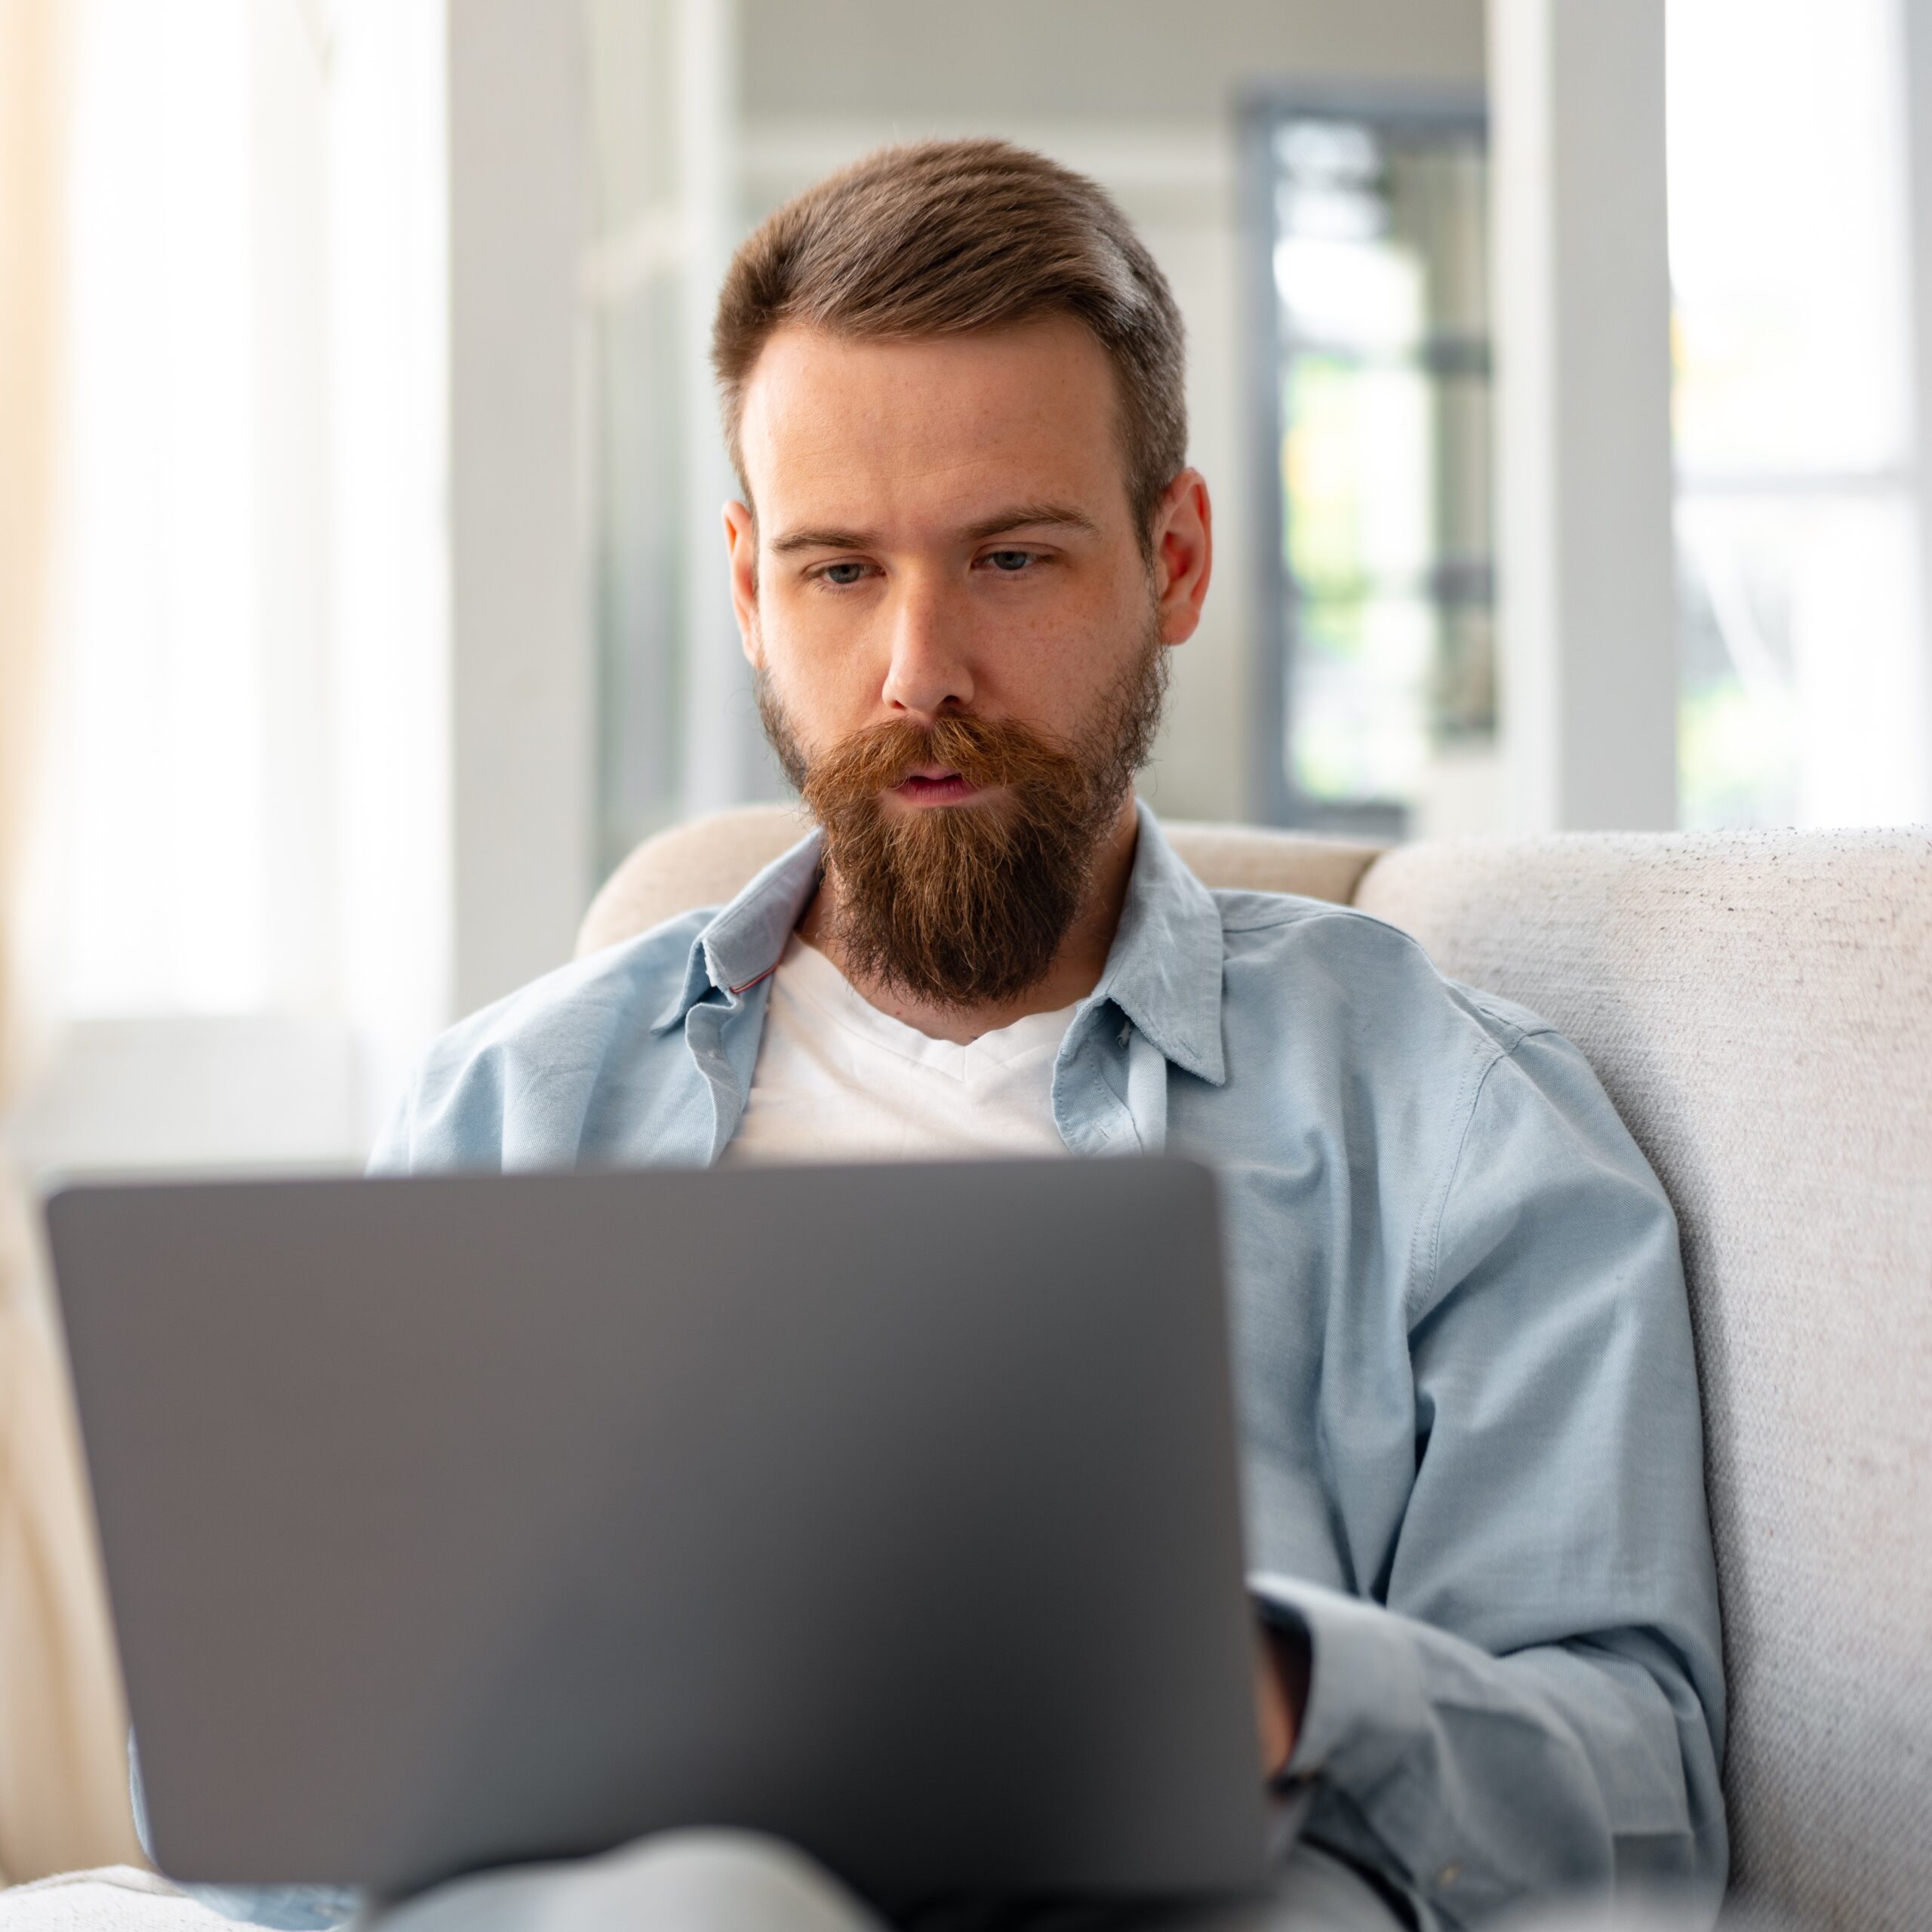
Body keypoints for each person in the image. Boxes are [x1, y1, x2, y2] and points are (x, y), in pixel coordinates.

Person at [183, 140, 1726, 1932]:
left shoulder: (1447, 1114)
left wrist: (1276, 1688)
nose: (919, 666)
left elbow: (1640, 1810)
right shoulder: (511, 1106)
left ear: (1173, 557)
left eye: (1008, 555)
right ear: (752, 589)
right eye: (841, 571)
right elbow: (262, 1801)